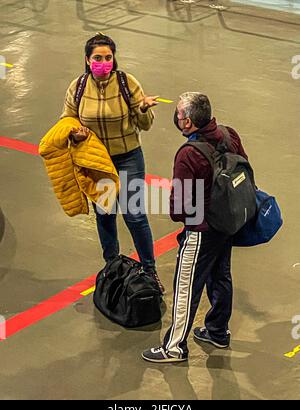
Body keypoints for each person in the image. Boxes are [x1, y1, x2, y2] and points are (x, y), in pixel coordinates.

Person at [142, 92, 248, 363]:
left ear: (187, 122)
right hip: (227, 222)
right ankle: (218, 331)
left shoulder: (189, 154)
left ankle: (174, 347)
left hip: (201, 229)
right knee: (221, 275)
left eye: (178, 114)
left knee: (186, 284)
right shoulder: (228, 134)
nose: (176, 117)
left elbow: (180, 207)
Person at [61, 33, 164, 293]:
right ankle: (112, 268)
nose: (104, 62)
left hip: (128, 156)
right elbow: (67, 120)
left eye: (108, 57)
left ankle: (150, 271)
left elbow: (147, 125)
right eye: (98, 58)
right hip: (97, 161)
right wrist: (75, 133)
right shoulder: (78, 87)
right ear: (87, 60)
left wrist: (142, 109)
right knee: (105, 214)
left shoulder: (127, 83)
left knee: (135, 215)